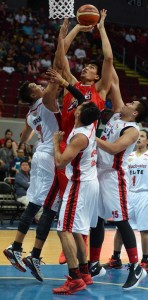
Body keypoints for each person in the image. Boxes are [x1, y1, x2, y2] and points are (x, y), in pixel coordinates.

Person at [3, 20, 88, 282]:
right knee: (48, 206)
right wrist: (67, 34)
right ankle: (22, 250)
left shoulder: (30, 114)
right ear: (34, 94)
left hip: (42, 154)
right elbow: (58, 65)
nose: (41, 85)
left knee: (44, 204)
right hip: (50, 155)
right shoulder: (46, 101)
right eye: (36, 86)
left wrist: (22, 141)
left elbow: (25, 134)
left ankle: (24, 250)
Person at [47, 9, 113, 266]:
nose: (87, 67)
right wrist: (74, 29)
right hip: (65, 141)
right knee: (67, 201)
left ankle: (78, 252)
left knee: (75, 203)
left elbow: (107, 58)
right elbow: (60, 55)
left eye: (90, 67)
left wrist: (102, 27)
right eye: (85, 65)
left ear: (96, 76)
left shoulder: (99, 89)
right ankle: (76, 249)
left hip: (81, 146)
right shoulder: (72, 80)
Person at [88, 67, 148, 290]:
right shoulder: (117, 114)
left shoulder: (133, 129)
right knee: (96, 220)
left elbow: (113, 149)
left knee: (122, 221)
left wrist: (90, 137)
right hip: (99, 173)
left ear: (134, 114)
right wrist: (105, 46)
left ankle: (135, 266)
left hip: (115, 178)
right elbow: (113, 79)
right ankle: (94, 263)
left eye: (132, 104)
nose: (127, 103)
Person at [52, 102, 100, 295]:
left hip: (79, 185)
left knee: (64, 230)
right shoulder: (90, 126)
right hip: (89, 183)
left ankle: (74, 279)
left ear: (79, 114)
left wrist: (56, 142)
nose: (76, 108)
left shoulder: (79, 137)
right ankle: (85, 273)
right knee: (78, 230)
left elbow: (60, 162)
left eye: (78, 108)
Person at [102, 129, 148, 273]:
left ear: (147, 140)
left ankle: (145, 260)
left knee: (144, 229)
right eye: (138, 136)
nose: (139, 138)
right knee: (121, 227)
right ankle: (116, 258)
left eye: (142, 136)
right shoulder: (129, 156)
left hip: (144, 194)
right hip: (129, 195)